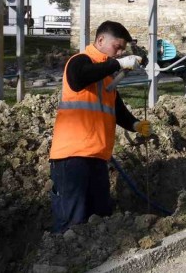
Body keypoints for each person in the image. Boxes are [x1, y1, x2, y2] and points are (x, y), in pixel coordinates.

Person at [49, 21, 151, 233]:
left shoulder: (105, 76)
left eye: (124, 49)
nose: (121, 52)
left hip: (97, 157)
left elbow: (117, 109)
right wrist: (118, 64)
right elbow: (79, 78)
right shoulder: (79, 62)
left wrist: (135, 124)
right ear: (101, 40)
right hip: (73, 157)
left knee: (100, 219)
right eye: (118, 47)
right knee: (72, 223)